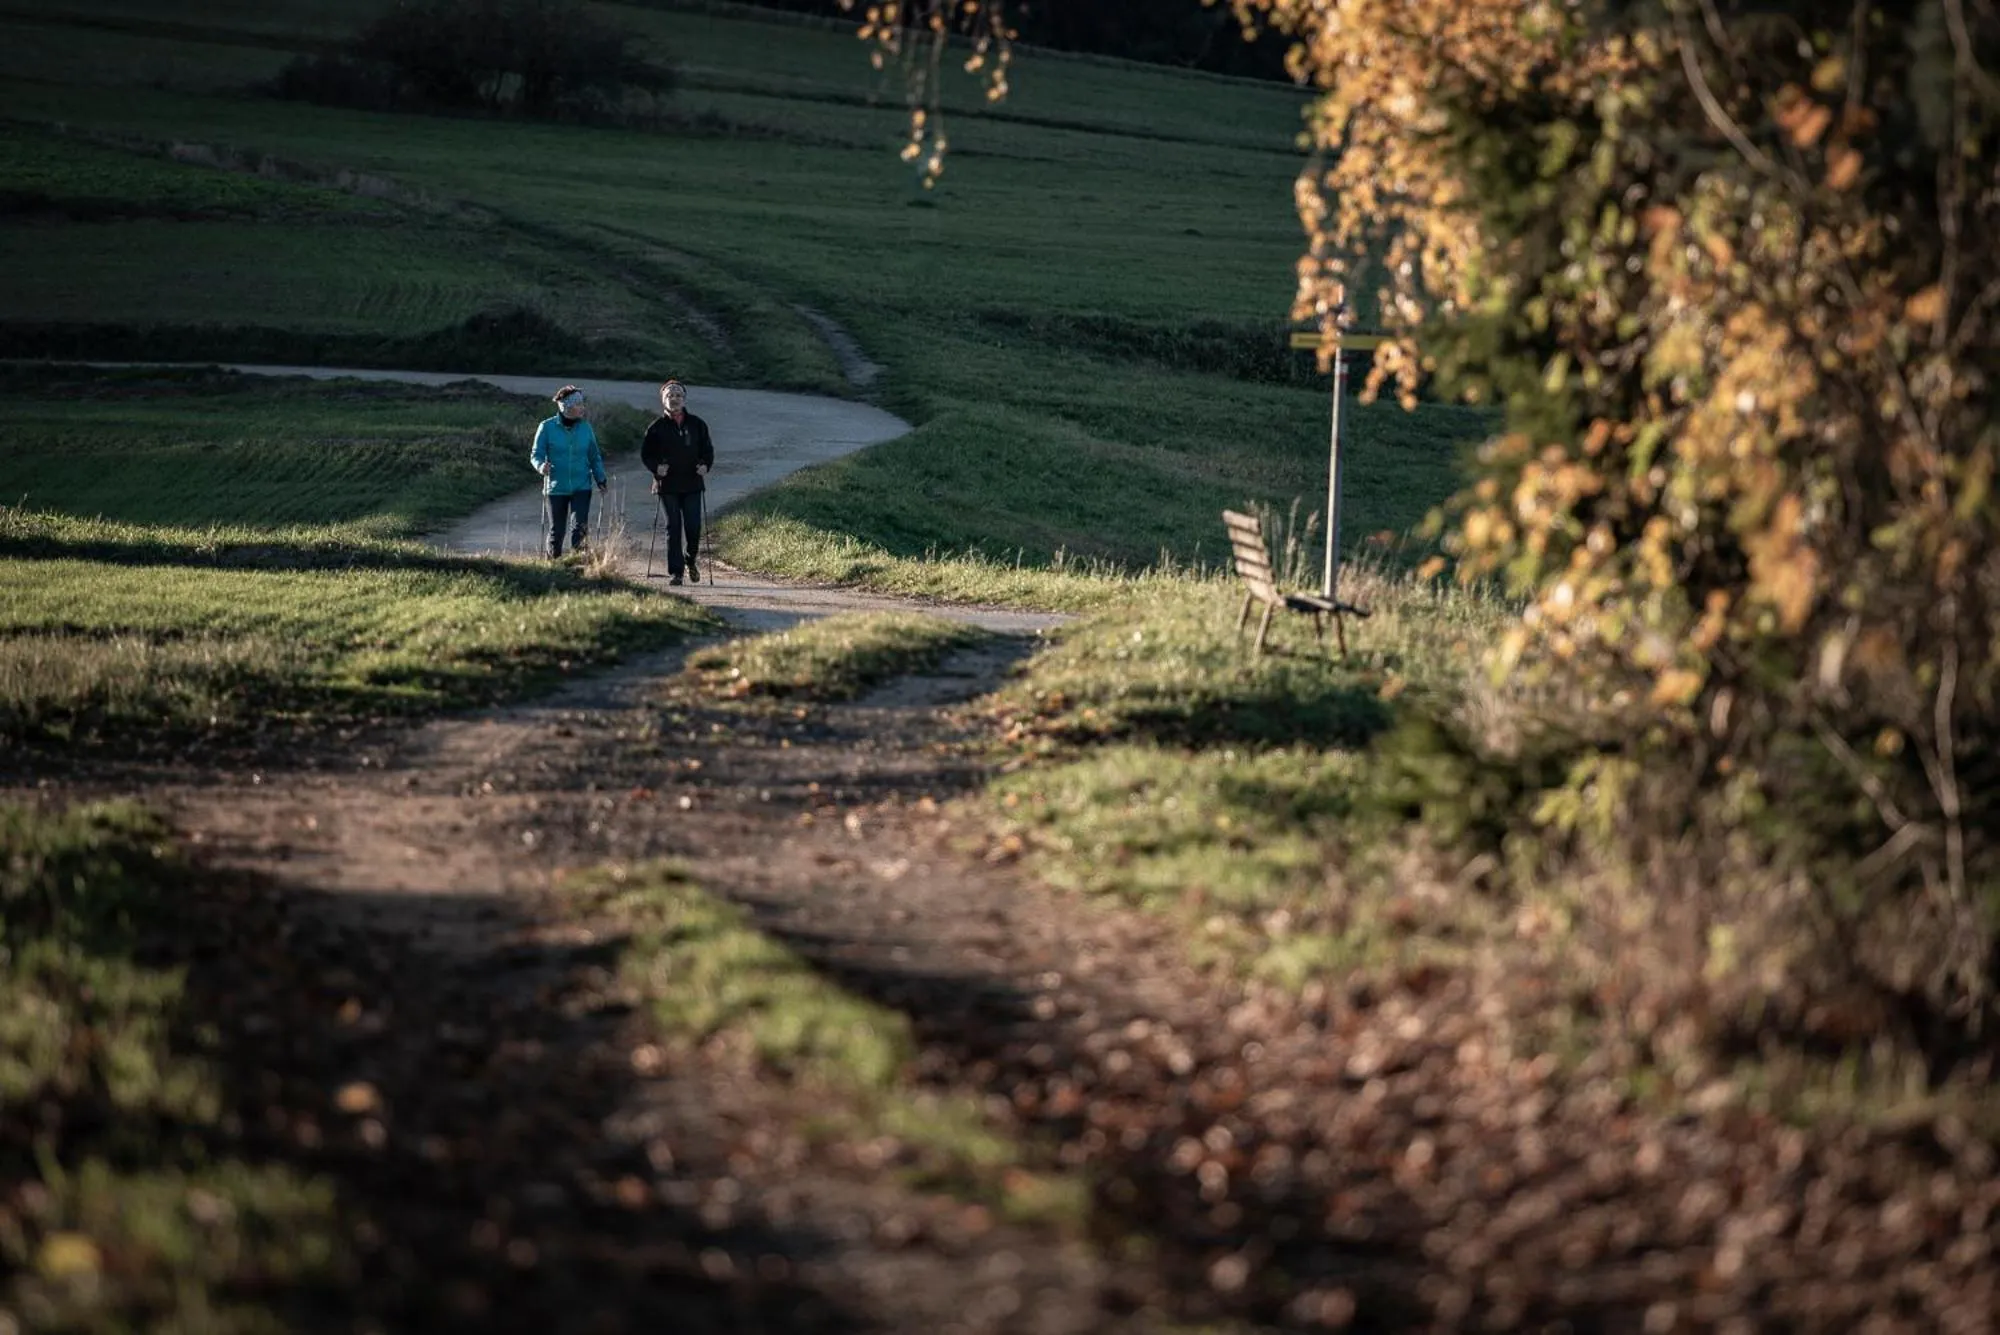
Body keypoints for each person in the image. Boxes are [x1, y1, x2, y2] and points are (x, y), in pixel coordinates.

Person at [639, 377, 714, 585]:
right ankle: (676, 572)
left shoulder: (697, 424)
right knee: (673, 527)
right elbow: (646, 454)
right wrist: (656, 468)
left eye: (678, 395)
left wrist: (705, 465)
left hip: (692, 483)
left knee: (693, 527)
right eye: (670, 396)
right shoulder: (656, 427)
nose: (674, 399)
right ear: (663, 400)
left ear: (684, 399)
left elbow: (708, 450)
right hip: (667, 485)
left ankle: (690, 558)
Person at [530, 384, 607, 559]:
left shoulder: (586, 428)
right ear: (567, 407)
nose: (583, 408)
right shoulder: (547, 427)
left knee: (579, 528)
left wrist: (600, 478)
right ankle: (553, 566)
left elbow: (594, 456)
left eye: (582, 403)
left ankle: (577, 565)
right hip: (555, 487)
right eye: (579, 404)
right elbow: (536, 454)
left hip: (582, 486)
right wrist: (541, 466)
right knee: (557, 530)